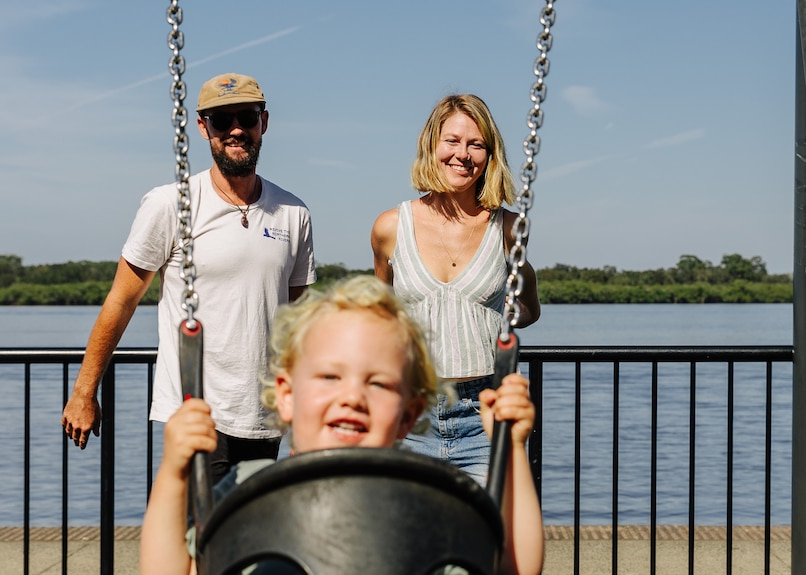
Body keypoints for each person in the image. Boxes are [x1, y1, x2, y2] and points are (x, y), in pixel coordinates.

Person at [139, 275, 544, 575]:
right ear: (287, 395)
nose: (352, 397)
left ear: (408, 413)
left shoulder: (434, 498)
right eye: (330, 377)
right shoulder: (249, 484)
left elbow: (515, 569)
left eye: (378, 383)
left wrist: (512, 449)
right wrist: (174, 471)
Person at [61, 73, 316, 483]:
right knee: (200, 539)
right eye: (221, 120)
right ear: (203, 128)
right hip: (195, 411)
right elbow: (122, 300)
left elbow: (301, 325)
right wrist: (83, 392)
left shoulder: (293, 213)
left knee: (251, 540)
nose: (236, 130)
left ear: (263, 123)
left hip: (267, 415)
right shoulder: (169, 204)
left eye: (246, 117)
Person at [370, 93, 541, 485]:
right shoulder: (390, 227)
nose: (462, 154)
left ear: (489, 156)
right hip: (412, 413)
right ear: (432, 145)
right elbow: (383, 316)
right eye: (452, 140)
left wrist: (491, 316)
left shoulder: (510, 229)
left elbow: (528, 308)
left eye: (475, 144)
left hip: (484, 414)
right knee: (411, 539)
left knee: (484, 537)